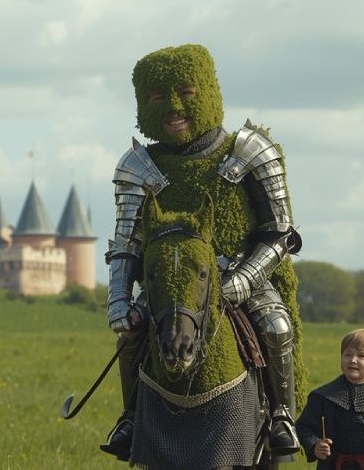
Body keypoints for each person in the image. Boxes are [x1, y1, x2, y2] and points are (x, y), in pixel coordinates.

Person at [100, 44, 304, 460]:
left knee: (276, 325)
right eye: (159, 98)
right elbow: (126, 244)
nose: (173, 107)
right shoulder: (137, 167)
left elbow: (280, 233)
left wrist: (242, 281)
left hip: (240, 277)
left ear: (208, 91)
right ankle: (133, 415)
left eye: (186, 93)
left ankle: (280, 414)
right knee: (134, 329)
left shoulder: (250, 151)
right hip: (169, 283)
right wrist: (119, 299)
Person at [296, 329, 364, 470]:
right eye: (347, 354)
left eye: (361, 355)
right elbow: (303, 427)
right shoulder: (323, 397)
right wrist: (315, 444)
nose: (353, 360)